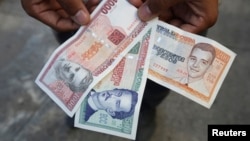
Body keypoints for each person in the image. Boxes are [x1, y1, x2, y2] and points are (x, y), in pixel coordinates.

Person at [21, 0, 219, 140]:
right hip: (85, 7)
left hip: (169, 9)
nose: (113, 94)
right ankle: (80, 100)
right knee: (77, 45)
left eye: (116, 97)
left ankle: (144, 108)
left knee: (162, 65)